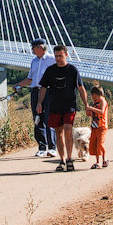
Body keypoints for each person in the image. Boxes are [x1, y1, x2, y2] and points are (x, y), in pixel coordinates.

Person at [36, 45, 89, 173]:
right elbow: (43, 88)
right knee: (58, 133)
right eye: (56, 56)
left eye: (61, 55)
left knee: (68, 130)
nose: (58, 58)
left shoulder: (72, 70)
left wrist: (86, 104)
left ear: (66, 55)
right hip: (54, 106)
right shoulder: (50, 70)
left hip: (69, 105)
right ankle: (62, 160)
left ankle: (70, 159)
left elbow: (81, 88)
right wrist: (39, 103)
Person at [12, 38, 57, 158]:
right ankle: (42, 147)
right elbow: (30, 79)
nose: (32, 49)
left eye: (33, 47)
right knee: (37, 119)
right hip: (35, 92)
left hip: (48, 92)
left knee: (49, 119)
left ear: (40, 47)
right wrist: (18, 85)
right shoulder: (34, 61)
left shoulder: (52, 59)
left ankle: (52, 148)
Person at [85, 86, 109, 169]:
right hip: (94, 127)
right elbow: (91, 114)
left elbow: (101, 112)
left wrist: (91, 108)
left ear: (95, 95)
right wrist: (88, 110)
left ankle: (104, 160)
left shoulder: (102, 101)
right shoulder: (95, 103)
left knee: (100, 144)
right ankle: (98, 161)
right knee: (94, 144)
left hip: (101, 126)